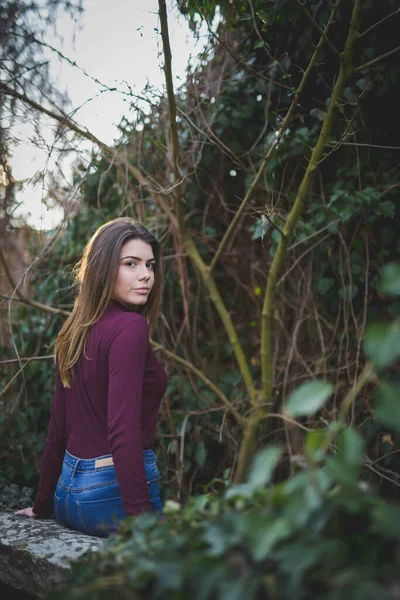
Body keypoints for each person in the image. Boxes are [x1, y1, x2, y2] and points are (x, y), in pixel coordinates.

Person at [15, 217, 168, 537]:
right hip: (107, 497)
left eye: (150, 265)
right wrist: (146, 529)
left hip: (67, 497)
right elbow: (122, 430)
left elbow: (58, 429)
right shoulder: (131, 328)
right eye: (131, 264)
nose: (146, 276)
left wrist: (42, 505)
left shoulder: (74, 331)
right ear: (102, 268)